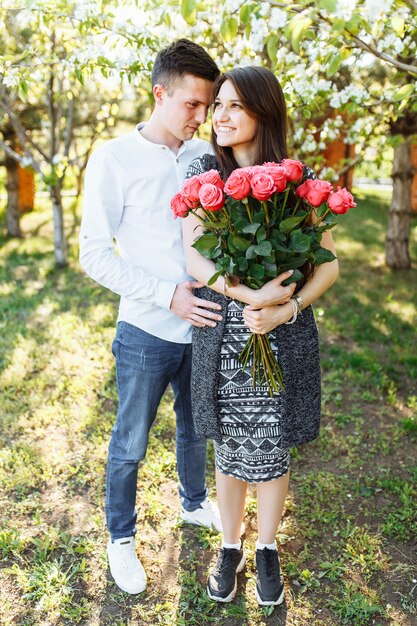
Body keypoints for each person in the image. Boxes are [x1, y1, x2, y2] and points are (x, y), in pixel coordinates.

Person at [182, 67, 339, 606]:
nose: (217, 116)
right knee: (230, 444)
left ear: (263, 115)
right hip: (226, 333)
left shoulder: (299, 180)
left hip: (282, 334)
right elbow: (195, 257)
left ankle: (267, 547)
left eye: (233, 107)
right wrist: (253, 300)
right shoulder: (204, 172)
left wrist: (287, 308)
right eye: (217, 104)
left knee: (271, 445)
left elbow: (329, 266)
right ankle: (230, 545)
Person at [79, 39, 224, 596]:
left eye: (207, 105)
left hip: (205, 322)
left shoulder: (202, 157)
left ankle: (192, 502)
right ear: (159, 93)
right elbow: (95, 253)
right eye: (191, 104)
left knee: (195, 429)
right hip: (145, 328)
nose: (201, 116)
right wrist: (167, 296)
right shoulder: (114, 158)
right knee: (131, 440)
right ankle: (120, 538)